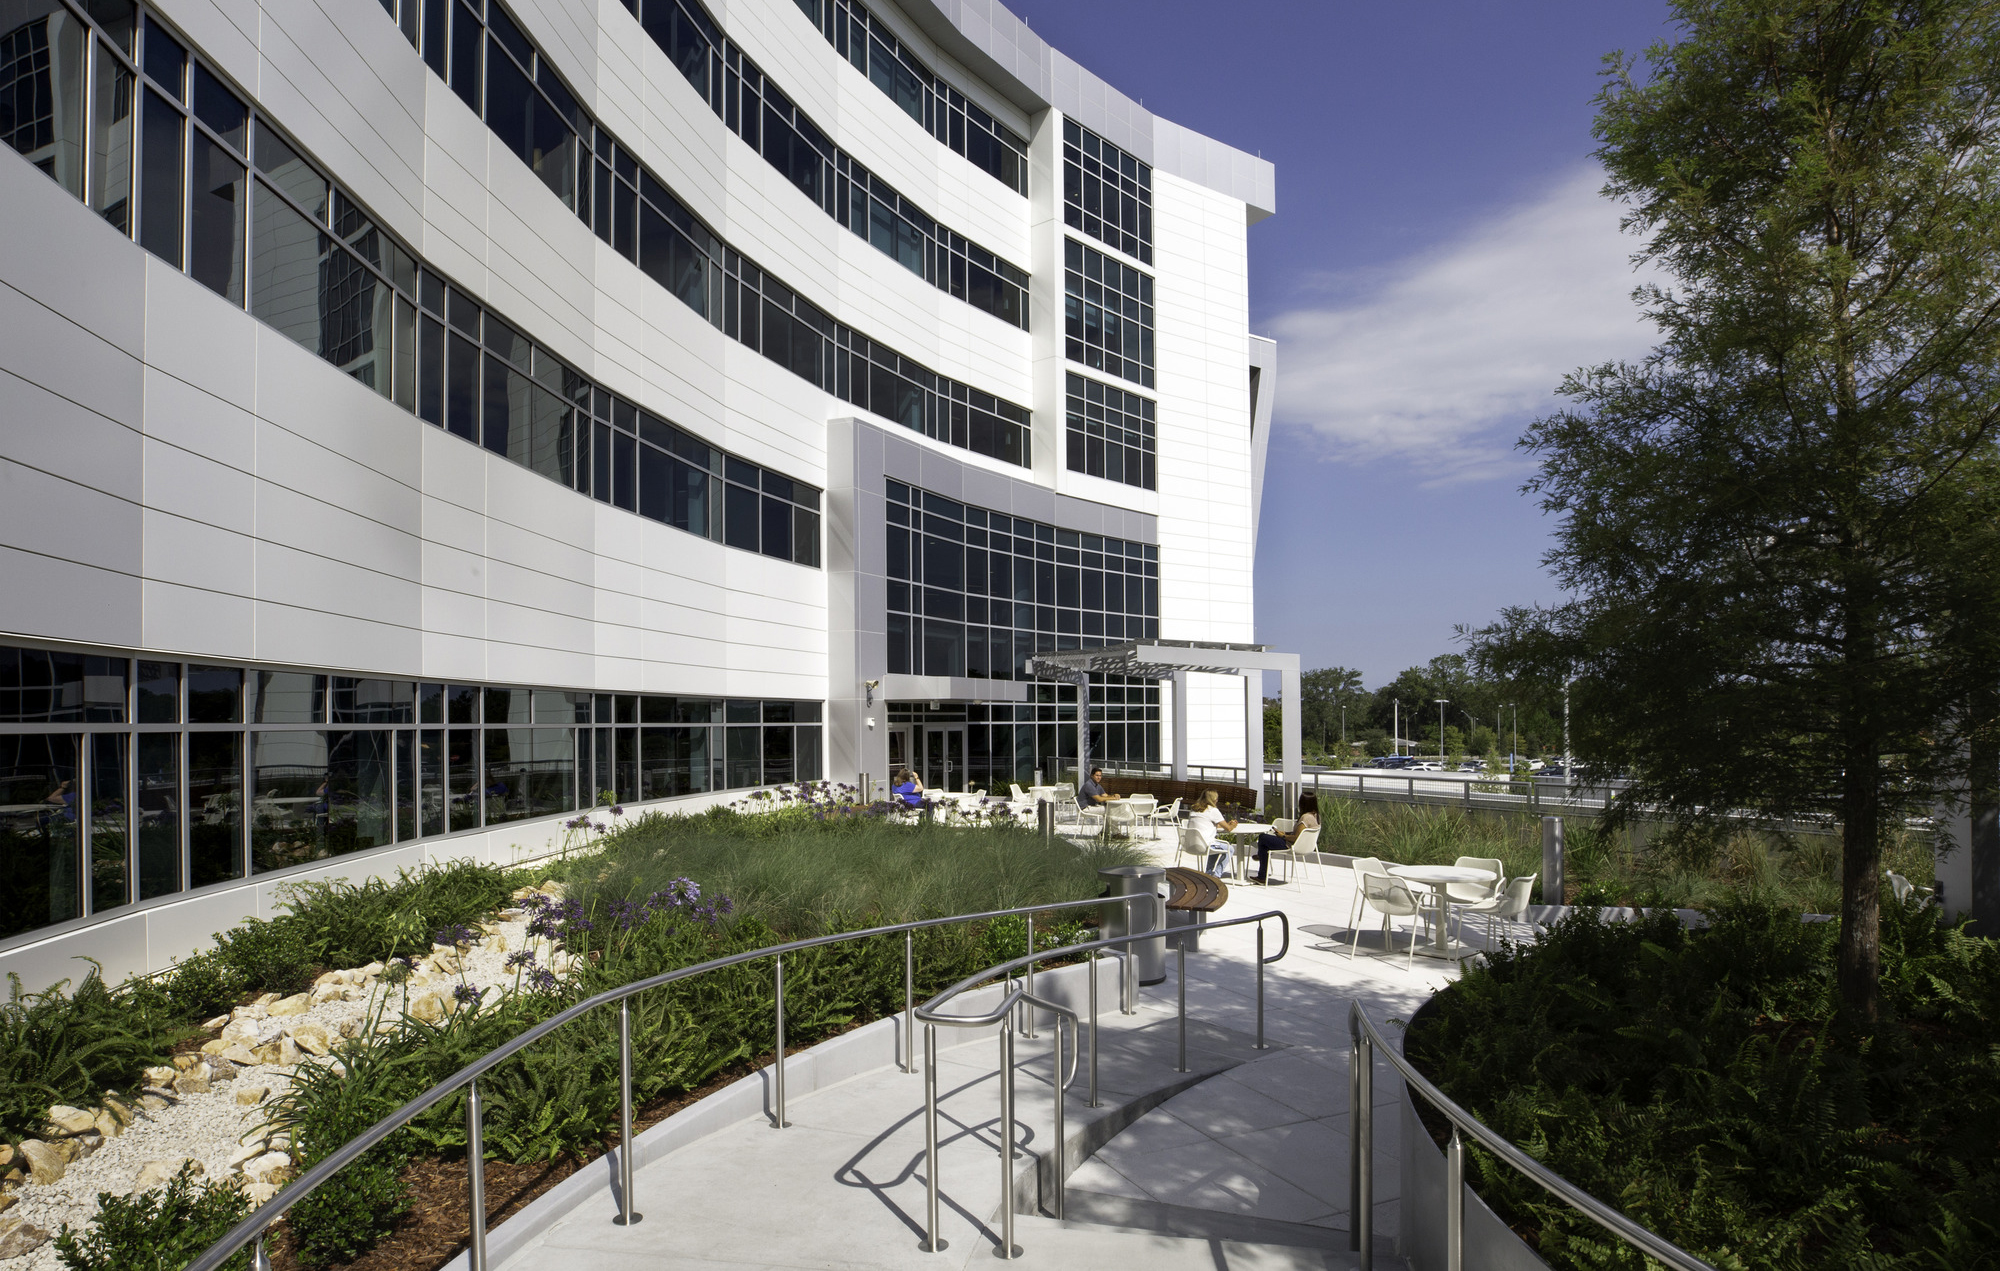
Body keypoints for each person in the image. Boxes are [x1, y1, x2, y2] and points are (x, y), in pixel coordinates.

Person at [1251, 792, 1319, 884]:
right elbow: (1301, 834)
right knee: (1264, 846)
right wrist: (1285, 833)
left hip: (1290, 845)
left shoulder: (1305, 818)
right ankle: (1262, 873)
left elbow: (1296, 838)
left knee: (1262, 837)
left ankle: (1262, 871)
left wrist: (1282, 836)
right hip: (1304, 846)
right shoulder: (1316, 816)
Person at [1188, 790, 1237, 876]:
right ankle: (1217, 875)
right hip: (1206, 845)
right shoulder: (1213, 810)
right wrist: (1233, 825)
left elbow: (1207, 824)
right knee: (1230, 849)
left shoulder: (1194, 809)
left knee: (1216, 846)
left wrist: (1224, 825)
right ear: (1214, 799)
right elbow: (1228, 829)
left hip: (1191, 844)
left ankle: (1209, 873)